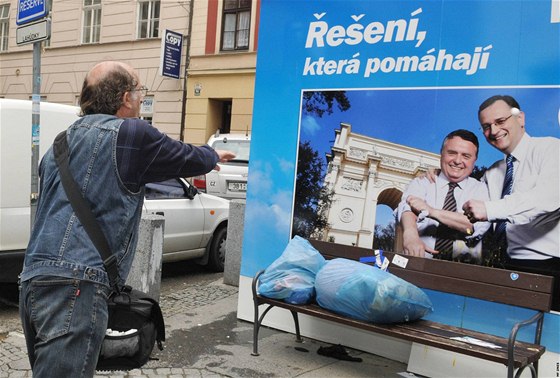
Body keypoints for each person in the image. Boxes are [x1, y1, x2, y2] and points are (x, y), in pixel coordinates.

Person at [18, 61, 236, 377]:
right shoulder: (131, 134)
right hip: (77, 284)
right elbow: (184, 156)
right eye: (139, 92)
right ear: (125, 98)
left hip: (32, 280)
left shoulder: (58, 145)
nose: (140, 99)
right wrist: (212, 155)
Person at [462, 95, 560, 309]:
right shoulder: (494, 172)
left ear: (520, 118)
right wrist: (439, 175)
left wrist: (490, 209)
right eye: (486, 127)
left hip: (551, 270)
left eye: (500, 121)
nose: (494, 131)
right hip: (507, 268)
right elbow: (475, 216)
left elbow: (549, 197)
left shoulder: (551, 149)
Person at [396, 129, 491, 262]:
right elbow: (407, 208)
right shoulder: (422, 182)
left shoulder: (481, 190)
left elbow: (472, 227)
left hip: (464, 273)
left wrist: (431, 211)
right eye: (452, 153)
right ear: (441, 154)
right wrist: (410, 235)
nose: (458, 161)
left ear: (474, 160)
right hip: (419, 263)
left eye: (466, 156)